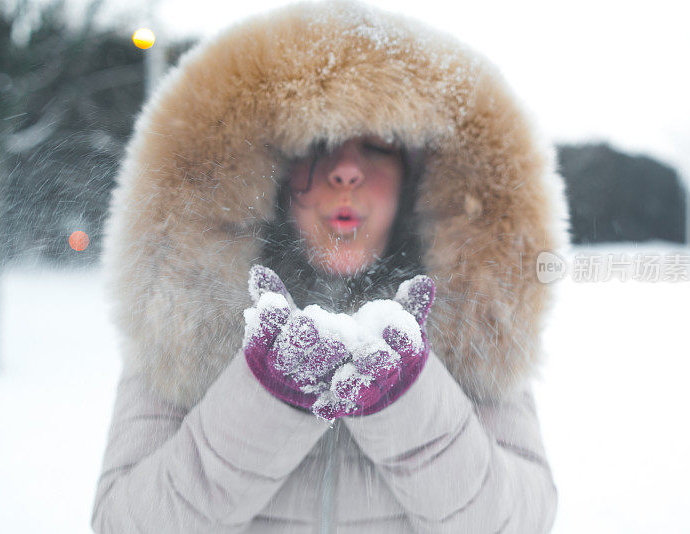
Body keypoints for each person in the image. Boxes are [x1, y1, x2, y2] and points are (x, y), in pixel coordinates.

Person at [91, 1, 570, 532]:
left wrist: (408, 401)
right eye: (318, 143)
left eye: (376, 146)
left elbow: (522, 521)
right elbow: (123, 521)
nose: (345, 170)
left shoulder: (471, 329)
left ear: (416, 182)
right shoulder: (188, 326)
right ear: (267, 171)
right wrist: (264, 396)